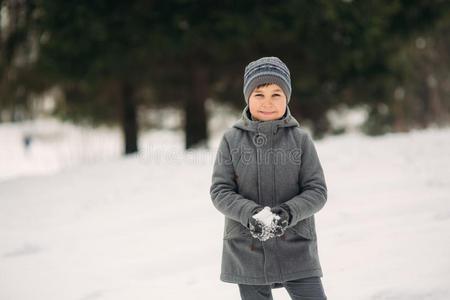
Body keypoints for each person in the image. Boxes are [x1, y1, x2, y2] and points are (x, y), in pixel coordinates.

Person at [210, 56, 328, 300]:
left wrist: (287, 212)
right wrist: (250, 214)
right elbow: (221, 191)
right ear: (247, 98)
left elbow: (316, 190)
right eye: (259, 95)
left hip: (296, 246)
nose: (268, 103)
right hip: (247, 248)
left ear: (287, 98)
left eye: (276, 94)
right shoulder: (231, 140)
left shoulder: (300, 140)